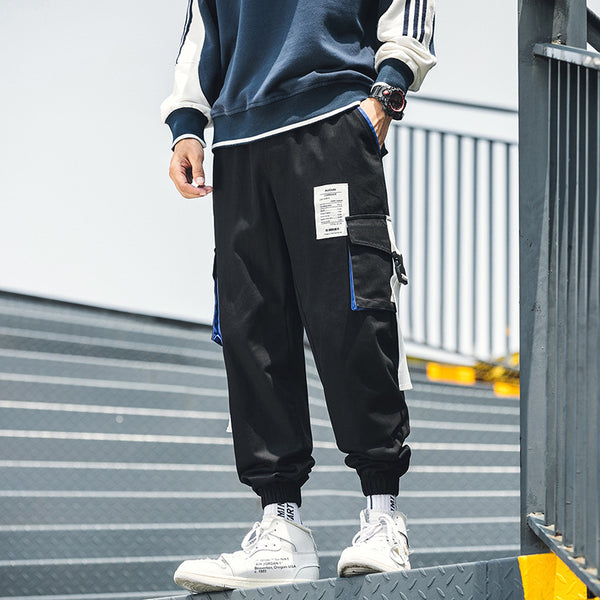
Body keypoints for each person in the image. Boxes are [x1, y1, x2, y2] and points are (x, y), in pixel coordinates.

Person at [161, 0, 436, 593]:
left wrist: (388, 91)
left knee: (352, 316)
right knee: (251, 330)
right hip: (238, 143)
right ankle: (280, 529)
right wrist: (186, 121)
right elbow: (201, 26)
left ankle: (382, 517)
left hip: (331, 122)